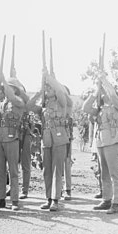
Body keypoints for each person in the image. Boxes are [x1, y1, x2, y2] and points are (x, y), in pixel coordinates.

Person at [83, 70, 118, 214]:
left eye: (104, 92)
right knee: (104, 173)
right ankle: (107, 199)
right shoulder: (99, 109)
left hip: (112, 142)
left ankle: (116, 203)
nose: (104, 94)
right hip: (100, 142)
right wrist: (95, 92)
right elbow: (85, 108)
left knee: (114, 174)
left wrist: (104, 82)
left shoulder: (116, 106)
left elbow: (113, 96)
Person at [0, 72, 26, 210]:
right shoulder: (1, 103)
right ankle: (0, 198)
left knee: (13, 171)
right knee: (0, 171)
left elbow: (13, 97)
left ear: (15, 89)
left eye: (9, 87)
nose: (5, 89)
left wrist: (3, 81)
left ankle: (14, 200)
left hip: (12, 138)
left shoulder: (19, 101)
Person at [35, 64, 71, 212]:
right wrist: (40, 90)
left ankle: (56, 199)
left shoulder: (61, 101)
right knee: (47, 170)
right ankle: (48, 198)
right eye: (47, 87)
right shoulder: (44, 104)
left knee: (57, 170)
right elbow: (30, 106)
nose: (48, 89)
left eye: (50, 88)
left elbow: (60, 91)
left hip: (60, 138)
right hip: (47, 139)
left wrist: (49, 78)